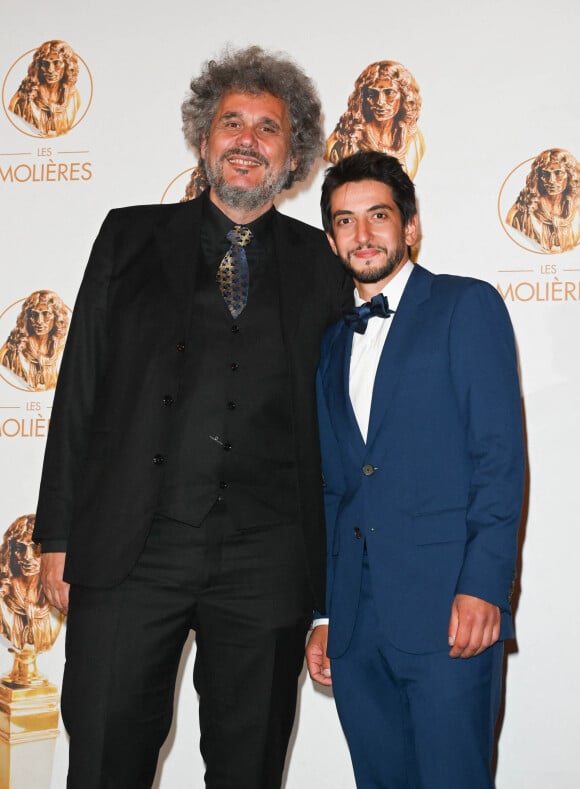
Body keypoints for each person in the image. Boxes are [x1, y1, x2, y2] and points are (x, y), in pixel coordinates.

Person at [33, 46, 350, 789]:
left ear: (293, 151)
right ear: (203, 138)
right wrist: (59, 535)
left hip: (267, 558)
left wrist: (336, 588)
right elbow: (80, 386)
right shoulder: (128, 237)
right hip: (131, 551)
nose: (246, 139)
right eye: (230, 121)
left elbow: (343, 426)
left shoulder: (323, 264)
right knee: (107, 756)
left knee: (249, 769)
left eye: (266, 127)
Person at [306, 151, 525, 788]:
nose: (363, 234)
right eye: (345, 221)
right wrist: (324, 615)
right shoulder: (329, 341)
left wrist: (485, 585)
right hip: (356, 621)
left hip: (449, 609)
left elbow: (499, 457)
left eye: (378, 215)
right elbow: (332, 485)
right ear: (331, 238)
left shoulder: (466, 306)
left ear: (411, 225)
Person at [325, 61, 425, 179]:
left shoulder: (412, 138)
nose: (380, 102)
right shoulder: (349, 137)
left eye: (389, 93)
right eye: (373, 94)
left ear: (404, 96)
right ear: (363, 97)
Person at [0, 514, 63, 656]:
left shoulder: (61, 596)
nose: (27, 557)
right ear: (10, 551)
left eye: (35, 548)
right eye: (20, 548)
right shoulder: (3, 600)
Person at [506, 148, 580, 253]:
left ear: (570, 175)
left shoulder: (577, 212)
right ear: (539, 176)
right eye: (545, 174)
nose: (551, 180)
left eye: (558, 172)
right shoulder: (525, 216)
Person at [9, 40, 81, 137]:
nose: (50, 70)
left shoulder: (73, 96)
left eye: (57, 63)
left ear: (67, 66)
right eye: (45, 64)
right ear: (39, 66)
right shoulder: (26, 97)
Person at [0, 289, 69, 391]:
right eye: (34, 314)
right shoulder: (15, 352)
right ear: (28, 317)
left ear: (57, 317)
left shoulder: (63, 348)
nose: (39, 321)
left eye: (46, 314)